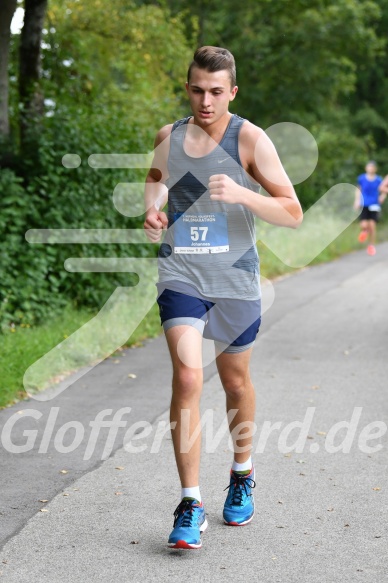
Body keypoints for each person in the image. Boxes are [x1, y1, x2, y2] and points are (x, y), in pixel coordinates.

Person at [143, 46, 302, 550]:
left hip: (234, 279)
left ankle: (241, 472)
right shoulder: (169, 138)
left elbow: (292, 211)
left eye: (216, 91)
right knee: (188, 376)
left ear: (232, 91)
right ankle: (190, 503)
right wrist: (153, 210)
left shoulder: (250, 139)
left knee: (235, 383)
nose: (205, 101)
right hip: (182, 274)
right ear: (187, 88)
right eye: (197, 90)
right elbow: (154, 182)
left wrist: (244, 194)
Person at [354, 161, 384, 256]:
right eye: (369, 167)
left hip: (374, 204)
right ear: (366, 168)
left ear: (375, 169)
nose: (370, 169)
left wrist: (382, 196)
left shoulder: (379, 180)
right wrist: (357, 200)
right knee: (364, 225)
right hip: (364, 204)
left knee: (372, 225)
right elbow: (358, 189)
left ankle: (371, 246)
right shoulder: (361, 178)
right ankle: (365, 231)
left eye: (372, 167)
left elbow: (384, 189)